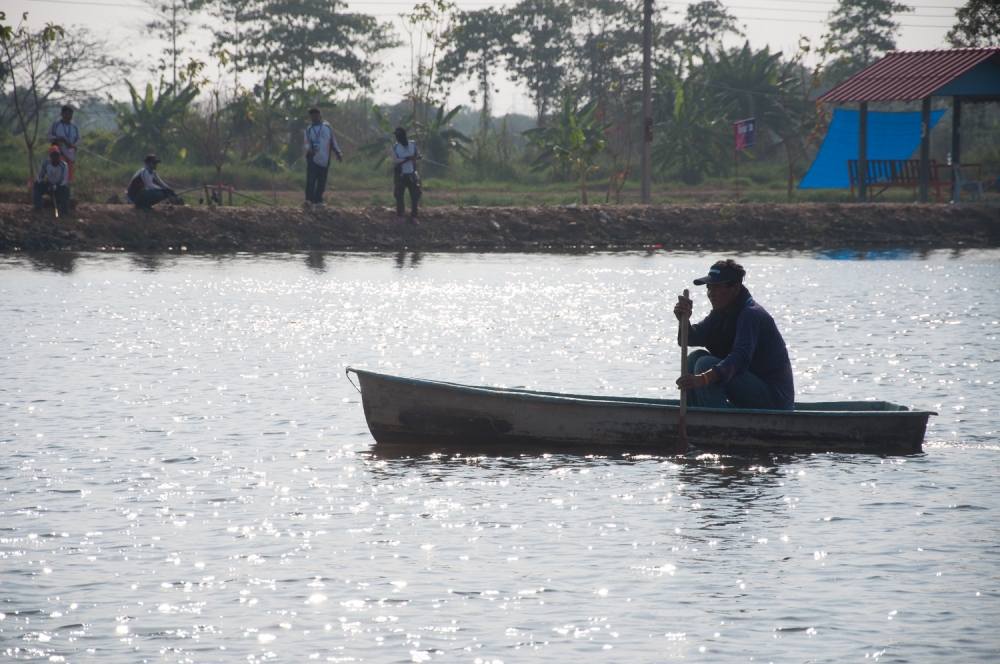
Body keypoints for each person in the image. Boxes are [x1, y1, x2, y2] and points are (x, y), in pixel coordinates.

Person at [674, 259, 794, 410]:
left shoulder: (751, 314)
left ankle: (717, 423)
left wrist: (703, 379)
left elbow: (740, 358)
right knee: (694, 358)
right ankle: (695, 417)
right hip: (750, 388)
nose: (711, 294)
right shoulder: (721, 314)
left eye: (717, 288)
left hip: (774, 400)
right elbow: (690, 338)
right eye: (709, 288)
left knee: (705, 364)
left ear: (735, 288)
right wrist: (683, 320)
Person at [303, 107, 342, 205]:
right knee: (311, 180)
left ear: (320, 115)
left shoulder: (327, 127)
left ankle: (318, 200)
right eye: (312, 116)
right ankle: (308, 200)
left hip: (325, 158)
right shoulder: (309, 129)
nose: (314, 117)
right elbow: (306, 142)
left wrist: (338, 152)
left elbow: (333, 141)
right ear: (310, 117)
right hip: (313, 157)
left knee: (322, 180)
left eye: (316, 115)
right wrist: (309, 149)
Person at [391, 126, 422, 220]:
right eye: (396, 136)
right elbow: (396, 160)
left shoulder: (413, 144)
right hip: (400, 175)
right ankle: (400, 215)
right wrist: (407, 159)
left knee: (415, 195)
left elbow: (418, 155)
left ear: (403, 136)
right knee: (399, 195)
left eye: (398, 135)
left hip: (412, 173)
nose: (397, 137)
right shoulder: (395, 147)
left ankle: (414, 215)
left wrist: (417, 157)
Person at [33, 145, 71, 215]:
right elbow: (40, 176)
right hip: (49, 185)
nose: (55, 157)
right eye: (53, 155)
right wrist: (44, 182)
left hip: (59, 187)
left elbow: (65, 180)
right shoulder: (46, 163)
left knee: (66, 189)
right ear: (50, 156)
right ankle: (38, 207)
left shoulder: (64, 165)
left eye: (57, 155)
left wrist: (56, 186)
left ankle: (64, 211)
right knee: (37, 185)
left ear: (59, 156)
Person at [47, 105, 80, 182]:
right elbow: (49, 136)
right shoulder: (56, 125)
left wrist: (74, 145)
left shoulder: (74, 127)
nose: (69, 116)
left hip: (70, 154)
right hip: (58, 154)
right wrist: (59, 139)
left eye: (70, 114)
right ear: (62, 114)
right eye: (66, 114)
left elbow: (78, 139)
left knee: (69, 177)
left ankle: (67, 190)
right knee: (59, 175)